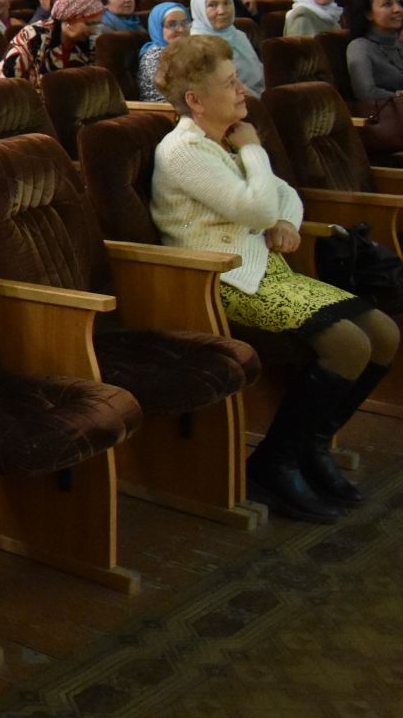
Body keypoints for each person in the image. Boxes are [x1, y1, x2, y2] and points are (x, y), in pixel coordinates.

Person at [150, 36, 395, 521]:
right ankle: (274, 462)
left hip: (264, 269)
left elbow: (284, 197)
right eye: (230, 83)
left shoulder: (223, 140)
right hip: (217, 281)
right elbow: (260, 204)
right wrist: (256, 150)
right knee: (350, 344)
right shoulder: (182, 151)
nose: (242, 90)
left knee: (384, 335)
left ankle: (313, 446)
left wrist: (283, 221)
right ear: (195, 100)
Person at [0, 0, 102, 89]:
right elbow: (4, 83)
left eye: (97, 24)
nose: (94, 30)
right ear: (69, 18)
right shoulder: (34, 36)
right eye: (89, 24)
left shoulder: (89, 43)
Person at [189, 0, 265, 96]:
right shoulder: (195, 45)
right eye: (212, 5)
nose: (222, 11)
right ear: (200, 10)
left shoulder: (239, 36)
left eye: (226, 3)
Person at [345, 0, 403, 105]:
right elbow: (365, 93)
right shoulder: (359, 47)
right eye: (387, 4)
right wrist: (397, 96)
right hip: (386, 116)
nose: (398, 9)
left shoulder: (397, 43)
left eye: (399, 2)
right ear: (368, 14)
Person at [137, 2, 192, 102]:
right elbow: (170, 96)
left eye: (185, 23)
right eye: (172, 24)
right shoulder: (154, 56)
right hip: (165, 111)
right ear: (158, 27)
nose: (180, 29)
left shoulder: (187, 49)